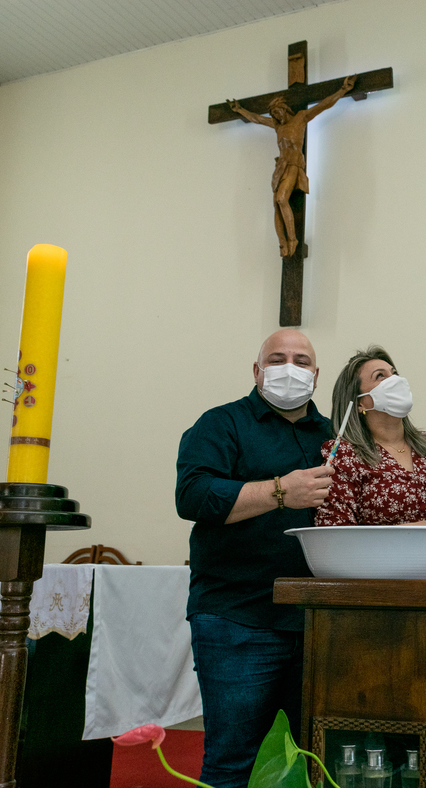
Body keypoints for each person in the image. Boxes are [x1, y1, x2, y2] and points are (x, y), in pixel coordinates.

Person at [175, 329, 334, 788]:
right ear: (257, 370)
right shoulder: (221, 423)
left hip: (321, 622)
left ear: (317, 374)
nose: (290, 368)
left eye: (302, 361)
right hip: (238, 618)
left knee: (317, 757)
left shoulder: (333, 436)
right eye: (278, 358)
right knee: (233, 760)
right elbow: (194, 496)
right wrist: (280, 491)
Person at [315, 345, 426, 527]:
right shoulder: (345, 455)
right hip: (381, 556)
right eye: (380, 376)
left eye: (394, 373)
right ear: (360, 402)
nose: (396, 380)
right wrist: (403, 534)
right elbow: (334, 529)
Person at [227, 75, 356, 257]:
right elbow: (256, 119)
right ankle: (282, 243)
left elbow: (324, 105)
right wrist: (240, 110)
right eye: (273, 114)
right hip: (280, 167)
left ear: (284, 108)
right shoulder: (277, 126)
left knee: (281, 199)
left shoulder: (300, 118)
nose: (275, 116)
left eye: (277, 112)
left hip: (295, 165)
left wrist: (343, 90)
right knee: (276, 205)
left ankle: (293, 239)